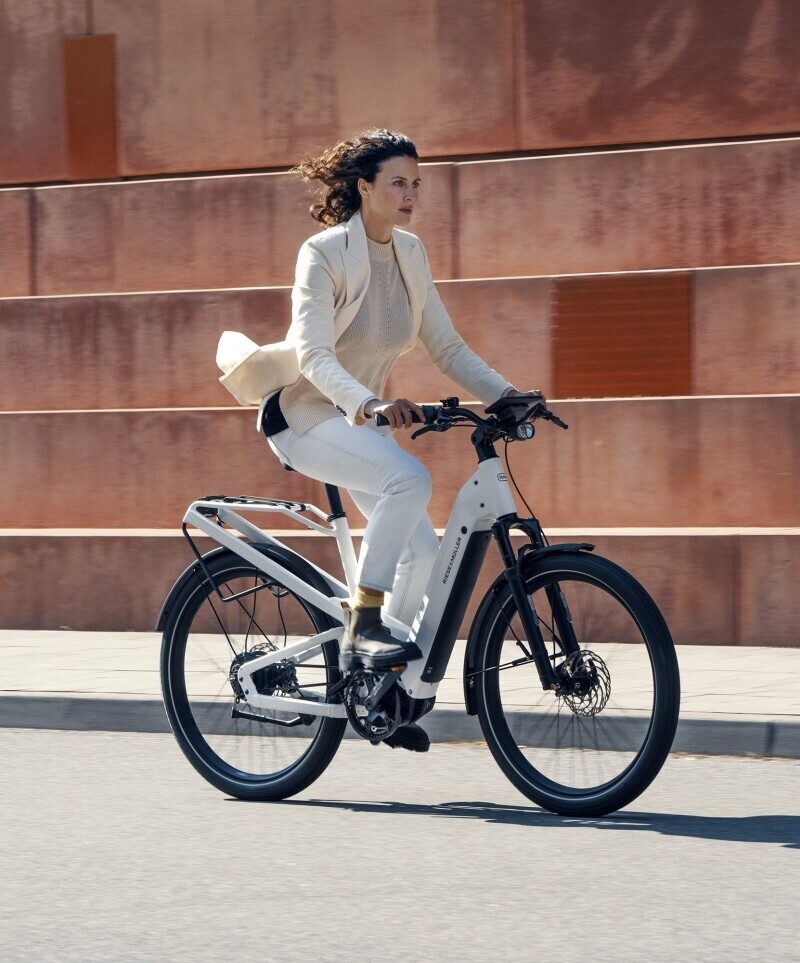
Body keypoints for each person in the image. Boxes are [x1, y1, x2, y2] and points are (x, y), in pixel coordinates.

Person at [260, 128, 538, 751]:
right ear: (364, 188)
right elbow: (312, 354)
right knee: (408, 480)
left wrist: (508, 394)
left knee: (426, 554)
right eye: (398, 183)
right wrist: (370, 404)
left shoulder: (410, 252)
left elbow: (446, 346)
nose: (412, 194)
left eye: (417, 183)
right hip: (309, 418)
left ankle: (382, 692)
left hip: (361, 421)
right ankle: (364, 620)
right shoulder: (324, 252)